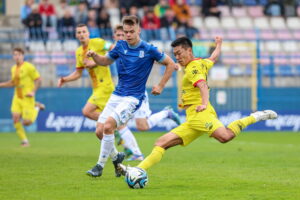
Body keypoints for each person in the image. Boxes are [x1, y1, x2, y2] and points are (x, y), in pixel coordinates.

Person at [117, 36, 278, 176]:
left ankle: (255, 116)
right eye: (175, 55)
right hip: (192, 118)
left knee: (225, 136)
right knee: (161, 143)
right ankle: (137, 170)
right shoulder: (200, 63)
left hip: (201, 113)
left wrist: (203, 103)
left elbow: (201, 85)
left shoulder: (193, 68)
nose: (177, 58)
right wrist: (219, 45)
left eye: (179, 53)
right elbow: (213, 58)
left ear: (189, 50)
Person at [85, 15, 176, 177]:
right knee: (99, 131)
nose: (128, 35)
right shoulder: (120, 46)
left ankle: (99, 167)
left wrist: (161, 85)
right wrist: (95, 56)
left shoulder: (149, 49)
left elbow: (171, 63)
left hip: (133, 98)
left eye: (131, 31)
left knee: (108, 127)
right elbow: (105, 61)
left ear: (138, 30)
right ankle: (116, 156)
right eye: (125, 32)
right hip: (117, 95)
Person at [57, 24, 125, 177]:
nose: (81, 34)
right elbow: (78, 73)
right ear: (76, 35)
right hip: (96, 89)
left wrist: (97, 61)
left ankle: (113, 127)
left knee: (87, 111)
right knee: (100, 133)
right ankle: (116, 158)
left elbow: (114, 48)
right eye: (79, 32)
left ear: (88, 33)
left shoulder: (99, 43)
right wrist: (65, 79)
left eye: (84, 32)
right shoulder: (78, 52)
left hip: (106, 87)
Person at [111, 25, 181, 161]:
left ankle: (167, 113)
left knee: (142, 126)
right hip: (122, 92)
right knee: (120, 124)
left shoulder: (137, 48)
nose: (121, 37)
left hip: (137, 93)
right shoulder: (114, 49)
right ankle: (136, 153)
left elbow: (151, 58)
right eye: (118, 35)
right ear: (114, 36)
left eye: (123, 35)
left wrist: (170, 64)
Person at [0, 48, 45, 147]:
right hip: (17, 97)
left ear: (23, 56)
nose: (17, 57)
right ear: (13, 56)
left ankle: (36, 107)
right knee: (15, 119)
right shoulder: (13, 68)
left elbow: (38, 80)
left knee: (27, 122)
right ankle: (24, 141)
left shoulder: (29, 67)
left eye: (19, 55)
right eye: (15, 55)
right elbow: (13, 83)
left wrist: (33, 92)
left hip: (27, 97)